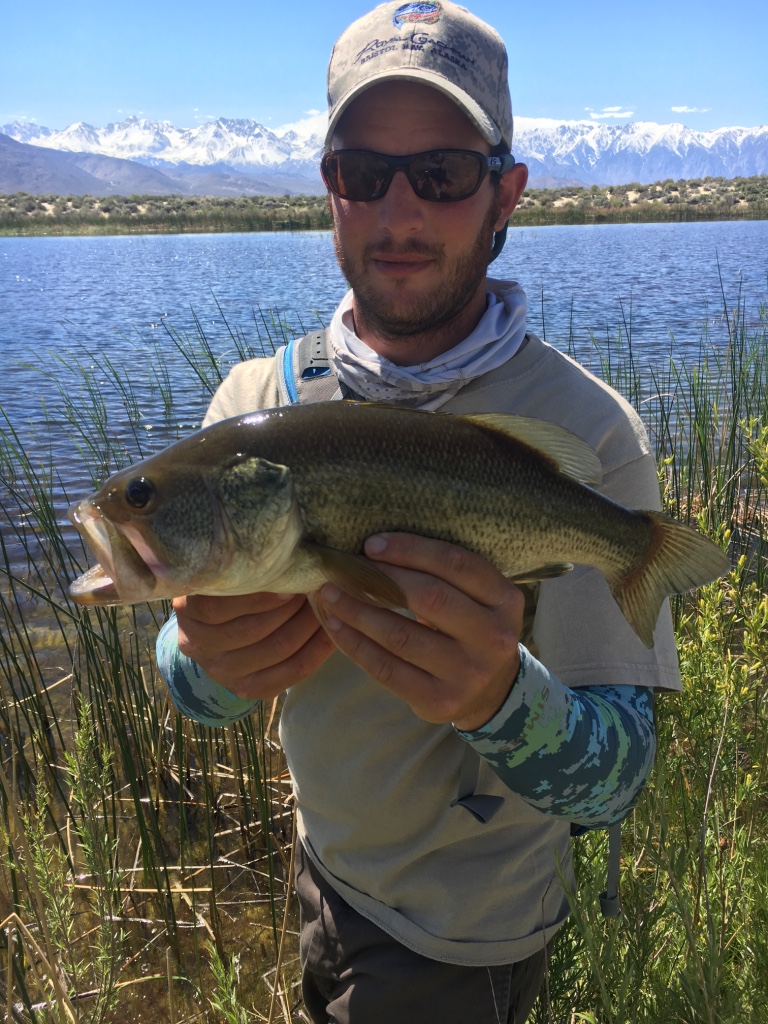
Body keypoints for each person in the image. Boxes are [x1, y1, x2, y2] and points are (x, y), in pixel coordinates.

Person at [156, 3, 681, 1021]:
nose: (399, 212)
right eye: (365, 171)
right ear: (329, 188)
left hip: (462, 934)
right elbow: (185, 679)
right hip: (321, 877)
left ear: (505, 195)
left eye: (441, 173)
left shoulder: (590, 432)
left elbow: (616, 778)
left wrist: (499, 699)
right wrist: (207, 665)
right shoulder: (252, 411)